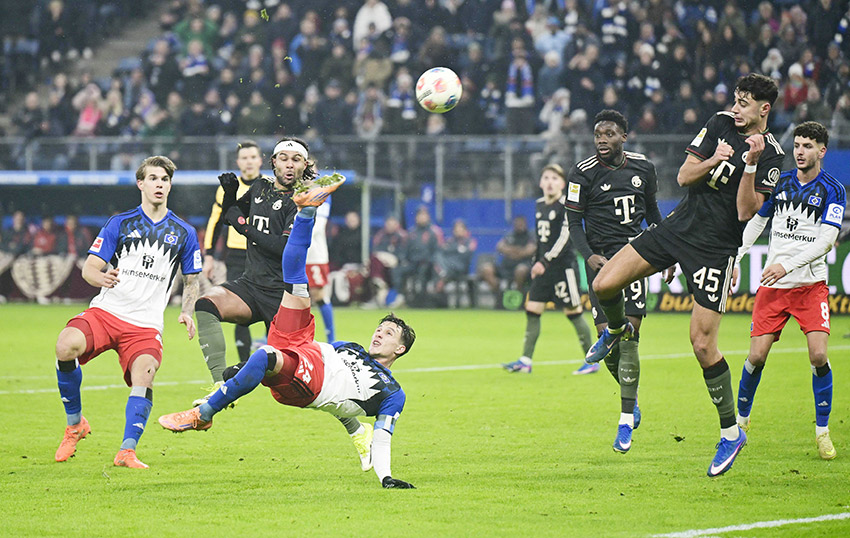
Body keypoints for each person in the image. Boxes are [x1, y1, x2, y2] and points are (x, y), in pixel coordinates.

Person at [585, 74, 785, 476]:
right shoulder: (719, 123)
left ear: (764, 109)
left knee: (702, 344)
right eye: (736, 99)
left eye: (744, 102)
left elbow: (745, 211)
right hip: (678, 228)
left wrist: (748, 163)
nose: (736, 107)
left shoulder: (773, 156)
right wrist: (715, 159)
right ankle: (617, 329)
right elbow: (684, 175)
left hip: (716, 249)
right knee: (604, 283)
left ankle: (731, 433)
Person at [159, 178, 416, 489]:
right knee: (295, 278)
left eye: (388, 334)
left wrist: (386, 477)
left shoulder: (393, 392)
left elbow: (383, 435)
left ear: (400, 349)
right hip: (305, 346)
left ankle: (204, 414)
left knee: (265, 356)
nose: (378, 334)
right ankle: (307, 210)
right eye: (380, 328)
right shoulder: (351, 348)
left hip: (310, 384)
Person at [53, 155, 201, 469]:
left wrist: (188, 311)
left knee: (145, 373)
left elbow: (192, 280)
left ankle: (127, 451)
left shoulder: (184, 232)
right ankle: (75, 424)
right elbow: (89, 269)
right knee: (65, 346)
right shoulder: (120, 223)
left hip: (145, 324)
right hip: (107, 312)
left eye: (165, 179)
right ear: (140, 184)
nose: (159, 184)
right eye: (153, 178)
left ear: (170, 186)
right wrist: (101, 278)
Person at [734, 121, 845, 460]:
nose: (799, 151)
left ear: (821, 151)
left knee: (818, 355)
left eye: (807, 146)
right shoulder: (780, 183)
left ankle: (822, 432)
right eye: (796, 145)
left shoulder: (833, 190)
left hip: (811, 286)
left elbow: (826, 242)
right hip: (774, 288)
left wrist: (787, 265)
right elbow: (757, 221)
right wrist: (736, 257)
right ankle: (739, 424)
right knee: (756, 356)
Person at [565, 110, 672, 451]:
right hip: (600, 262)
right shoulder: (582, 173)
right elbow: (573, 224)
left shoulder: (644, 168)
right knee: (609, 342)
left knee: (629, 338)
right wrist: (588, 256)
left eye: (609, 134)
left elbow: (653, 214)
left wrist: (667, 253)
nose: (602, 139)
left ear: (623, 137)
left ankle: (625, 420)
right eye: (598, 134)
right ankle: (632, 396)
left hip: (635, 255)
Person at [192, 138, 300, 406]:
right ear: (273, 162)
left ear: (304, 166)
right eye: (284, 158)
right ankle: (220, 384)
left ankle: (353, 423)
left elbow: (282, 248)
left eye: (296, 159)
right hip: (250, 285)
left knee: (294, 380)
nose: (289, 164)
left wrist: (245, 228)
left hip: (283, 294)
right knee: (205, 304)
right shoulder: (261, 187)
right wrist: (230, 193)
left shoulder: (302, 202)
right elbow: (230, 215)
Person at [502, 164, 594, 374]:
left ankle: (591, 361)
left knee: (573, 312)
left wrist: (544, 261)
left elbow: (565, 237)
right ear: (541, 183)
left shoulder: (566, 205)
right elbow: (540, 239)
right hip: (543, 269)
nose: (550, 182)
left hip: (563, 268)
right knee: (533, 310)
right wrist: (537, 260)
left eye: (555, 178)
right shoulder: (539, 204)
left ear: (562, 183)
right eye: (546, 178)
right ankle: (525, 361)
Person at [202, 141, 264, 365]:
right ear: (238, 162)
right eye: (244, 158)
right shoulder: (227, 188)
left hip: (264, 254)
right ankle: (245, 365)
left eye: (252, 157)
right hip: (237, 255)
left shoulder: (269, 186)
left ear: (260, 160)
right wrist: (209, 255)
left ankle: (275, 362)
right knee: (241, 310)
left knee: (272, 309)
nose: (249, 162)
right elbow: (216, 221)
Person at [305, 193, 335, 342]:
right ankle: (270, 336)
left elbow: (319, 225)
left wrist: (296, 235)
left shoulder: (323, 192)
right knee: (287, 295)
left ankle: (331, 339)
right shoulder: (290, 187)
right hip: (293, 252)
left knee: (319, 295)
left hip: (314, 255)